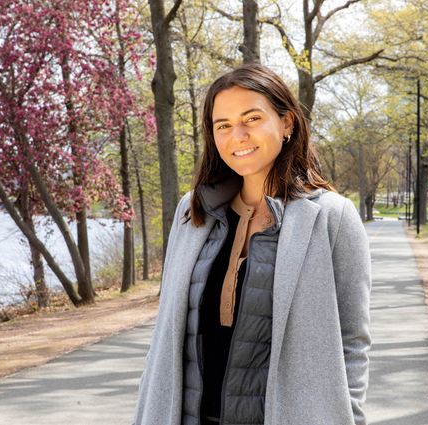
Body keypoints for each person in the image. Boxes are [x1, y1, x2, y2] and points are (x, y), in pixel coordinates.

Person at [133, 63, 371, 425]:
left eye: (252, 118)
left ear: (287, 122)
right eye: (223, 125)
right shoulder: (193, 211)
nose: (237, 135)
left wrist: (346, 417)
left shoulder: (330, 217)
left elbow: (352, 341)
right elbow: (167, 332)